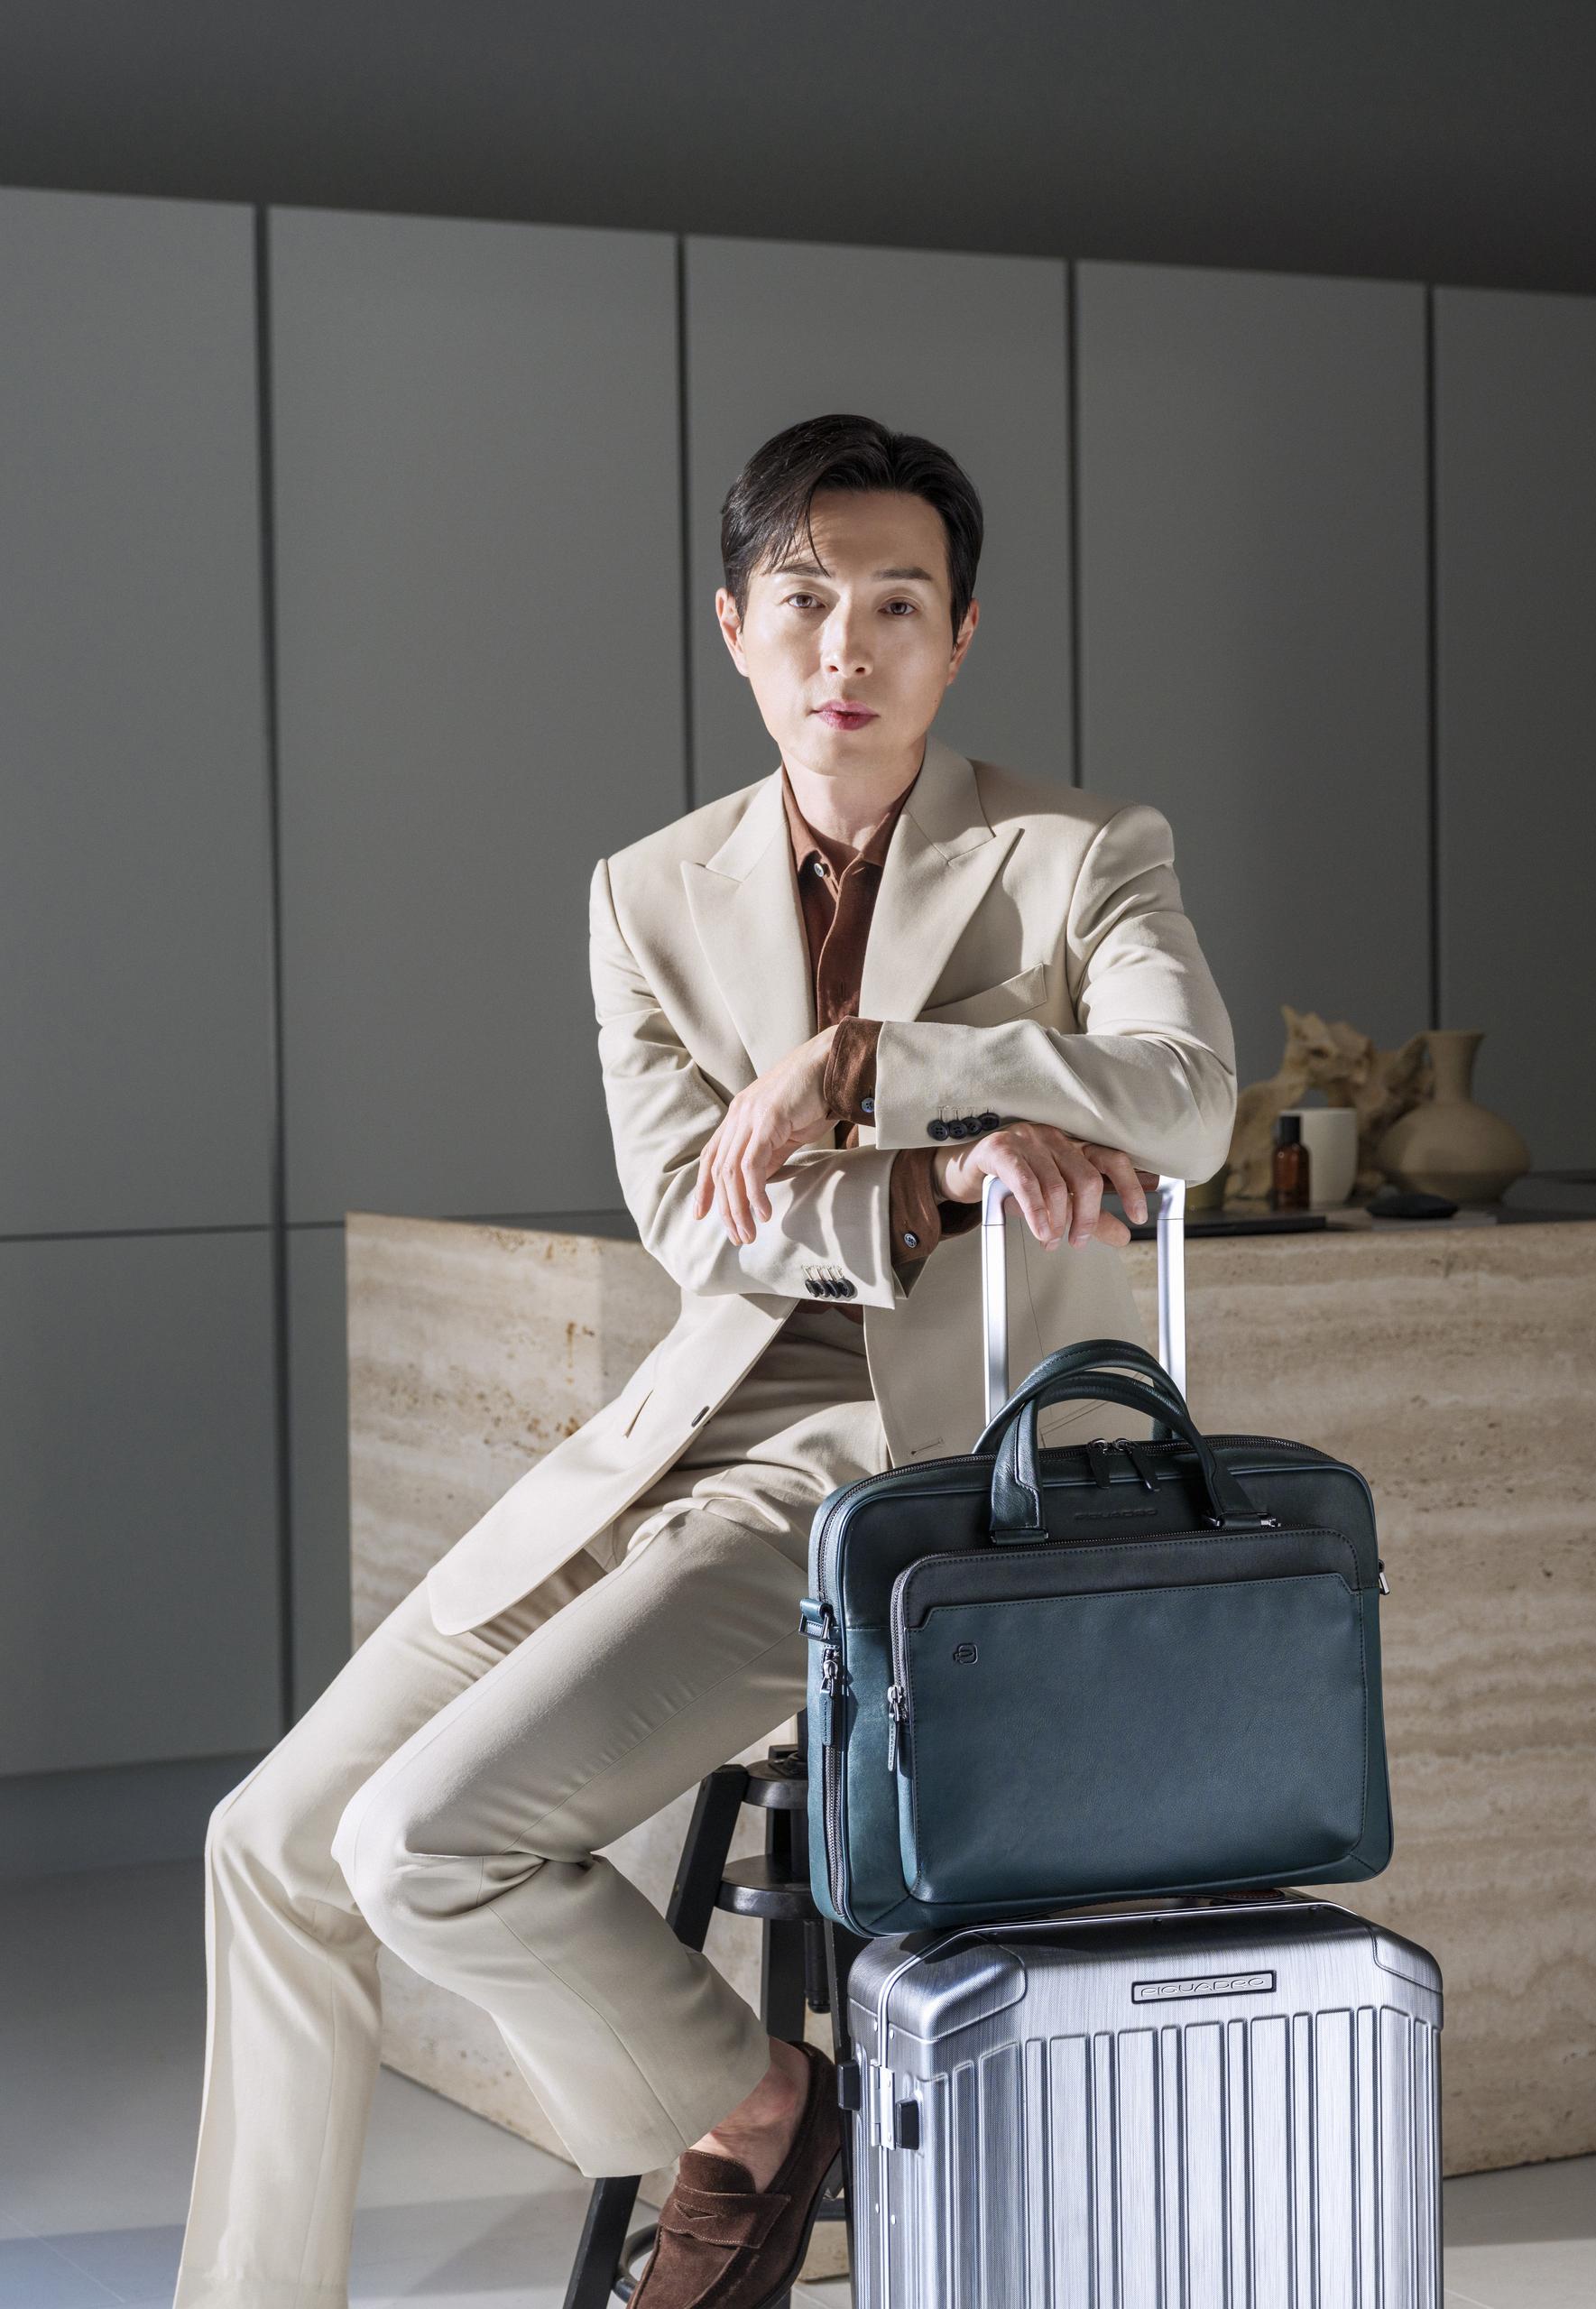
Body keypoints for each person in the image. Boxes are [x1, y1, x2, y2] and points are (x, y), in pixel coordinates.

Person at [171, 411, 1236, 2309]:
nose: (849, 647)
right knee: (269, 1842)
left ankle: (741, 2114)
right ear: (733, 624)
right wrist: (930, 1174)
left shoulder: (1082, 855)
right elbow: (691, 1213)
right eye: (805, 599)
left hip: (899, 1471)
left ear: (960, 636)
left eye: (897, 602)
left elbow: (1189, 1103)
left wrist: (872, 1064)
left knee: (422, 1844)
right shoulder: (646, 893)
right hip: (668, 1443)